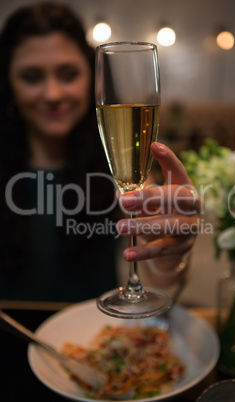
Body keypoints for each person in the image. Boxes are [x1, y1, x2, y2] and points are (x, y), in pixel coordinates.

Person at [0, 1, 200, 304]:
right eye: (31, 77)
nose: (53, 94)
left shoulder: (118, 167)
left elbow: (164, 282)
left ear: (93, 80)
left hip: (91, 341)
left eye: (68, 74)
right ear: (8, 83)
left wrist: (171, 250)